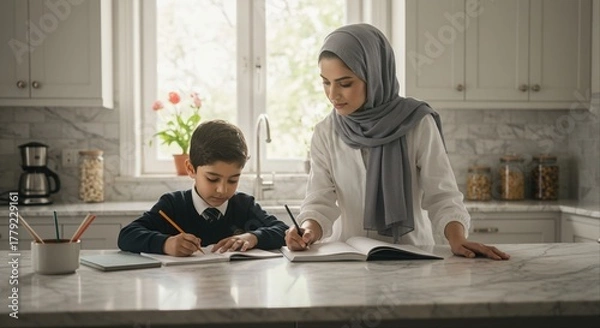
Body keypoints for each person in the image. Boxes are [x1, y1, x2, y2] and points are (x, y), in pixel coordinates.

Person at [285, 24, 509, 261]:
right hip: (348, 261)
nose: (333, 95)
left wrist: (457, 239)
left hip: (412, 257)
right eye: (325, 82)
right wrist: (307, 230)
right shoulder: (325, 132)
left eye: (345, 83)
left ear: (375, 76)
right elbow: (320, 201)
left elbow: (442, 195)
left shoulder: (417, 122)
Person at [118, 120, 288, 256]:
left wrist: (253, 237)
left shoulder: (244, 206)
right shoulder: (173, 205)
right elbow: (127, 236)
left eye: (233, 180)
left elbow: (283, 231)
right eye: (212, 179)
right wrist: (166, 244)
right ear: (191, 169)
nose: (222, 190)